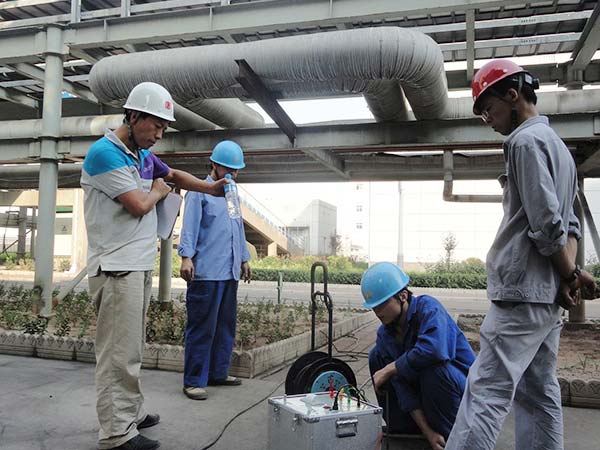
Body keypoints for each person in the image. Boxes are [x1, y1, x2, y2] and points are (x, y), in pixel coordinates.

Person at [445, 59, 597, 450]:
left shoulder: (524, 142)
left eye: (488, 109)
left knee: (485, 394)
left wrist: (568, 274)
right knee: (538, 394)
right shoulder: (560, 150)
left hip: (520, 294)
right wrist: (570, 272)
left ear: (512, 96)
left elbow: (547, 225)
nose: (487, 119)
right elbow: (571, 226)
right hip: (546, 300)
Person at [81, 82, 227, 450]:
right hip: (116, 269)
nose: (160, 134)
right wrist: (160, 192)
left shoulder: (141, 155)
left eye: (165, 128)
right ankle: (116, 432)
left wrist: (210, 189)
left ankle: (130, 412)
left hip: (136, 265)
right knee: (118, 354)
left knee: (131, 349)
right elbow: (139, 205)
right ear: (133, 116)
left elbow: (174, 175)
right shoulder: (105, 154)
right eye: (156, 126)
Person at [361, 262, 475, 450]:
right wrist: (428, 433)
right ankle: (408, 432)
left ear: (403, 296)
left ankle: (453, 439)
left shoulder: (429, 308)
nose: (377, 312)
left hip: (463, 395)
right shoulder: (385, 334)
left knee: (433, 368)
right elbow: (402, 389)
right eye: (374, 307)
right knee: (376, 357)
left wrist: (390, 368)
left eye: (382, 304)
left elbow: (436, 351)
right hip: (427, 395)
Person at [178, 140, 251, 401]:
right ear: (215, 166)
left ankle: (218, 372)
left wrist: (244, 258)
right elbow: (190, 226)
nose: (233, 175)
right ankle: (194, 380)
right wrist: (186, 257)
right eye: (228, 169)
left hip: (228, 272)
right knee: (202, 327)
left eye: (236, 170)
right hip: (206, 272)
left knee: (225, 326)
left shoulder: (232, 195)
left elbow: (237, 228)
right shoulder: (198, 192)